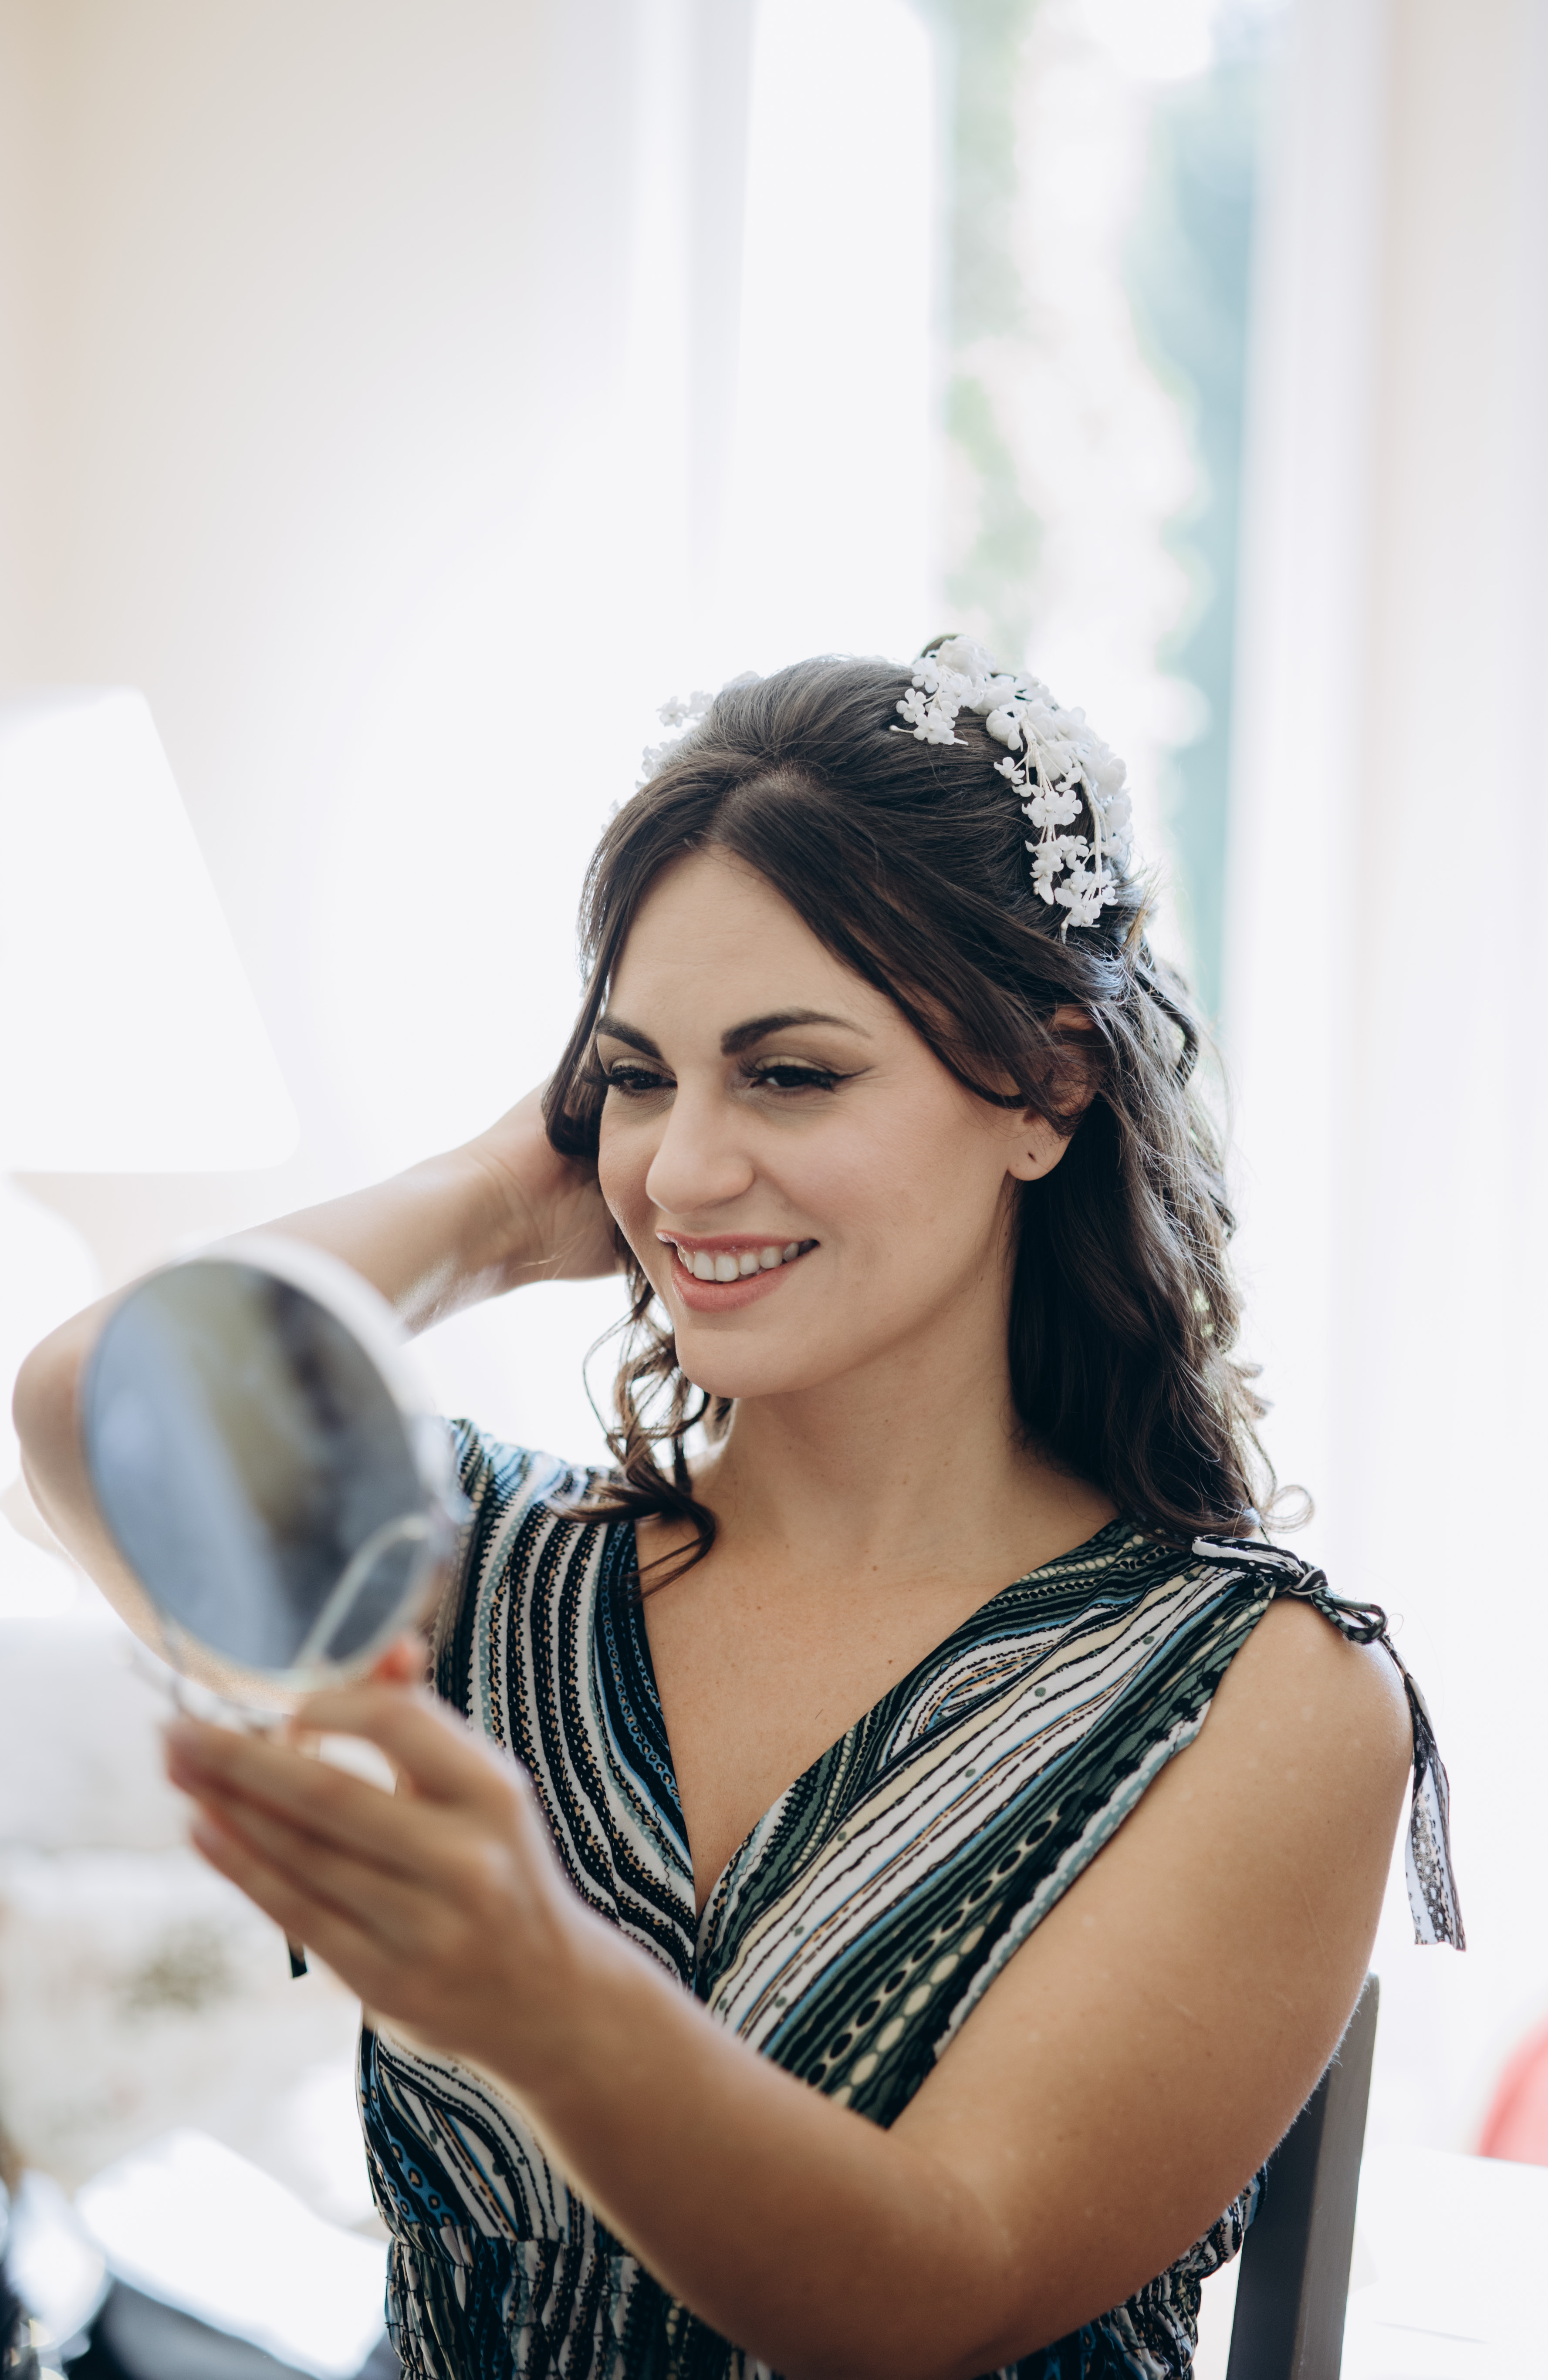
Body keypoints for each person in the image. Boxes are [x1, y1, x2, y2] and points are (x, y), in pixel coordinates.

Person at [16, 643, 1462, 2380]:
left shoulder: (1262, 1692)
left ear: (1046, 1087)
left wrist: (550, 1997)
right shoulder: (480, 1568)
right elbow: (84, 1402)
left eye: (788, 1074)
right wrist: (489, 1208)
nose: (681, 1170)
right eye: (636, 1078)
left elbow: (941, 2290)